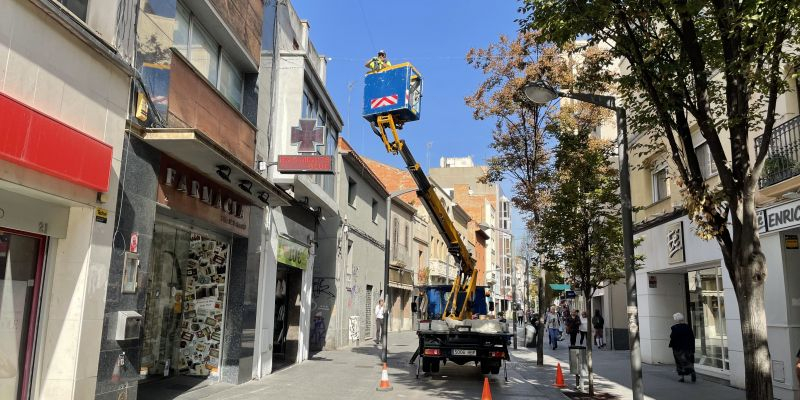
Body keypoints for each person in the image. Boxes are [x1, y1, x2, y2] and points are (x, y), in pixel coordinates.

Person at [669, 312, 696, 382]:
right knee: (689, 360)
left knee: (679, 361)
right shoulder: (688, 327)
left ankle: (682, 377)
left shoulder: (674, 328)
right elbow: (692, 337)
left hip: (678, 348)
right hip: (688, 347)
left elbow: (672, 337)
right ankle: (692, 371)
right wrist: (692, 348)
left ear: (676, 319)